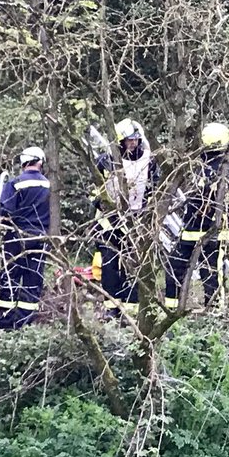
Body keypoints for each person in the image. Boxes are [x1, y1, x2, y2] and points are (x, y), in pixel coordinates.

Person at [164, 122, 229, 311]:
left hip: (214, 230)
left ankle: (215, 312)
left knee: (210, 271)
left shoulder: (223, 169)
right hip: (192, 229)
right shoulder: (204, 164)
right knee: (175, 266)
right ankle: (171, 310)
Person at [92, 118, 158, 318]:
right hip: (109, 221)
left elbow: (155, 189)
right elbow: (95, 190)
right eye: (128, 141)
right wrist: (100, 202)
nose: (132, 144)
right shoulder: (105, 161)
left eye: (135, 140)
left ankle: (132, 309)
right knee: (110, 265)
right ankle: (112, 308)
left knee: (135, 265)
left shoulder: (149, 161)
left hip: (137, 221)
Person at [0, 146, 51, 329]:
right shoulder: (50, 185)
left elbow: (5, 212)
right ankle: (24, 325)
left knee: (9, 279)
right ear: (40, 161)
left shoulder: (14, 183)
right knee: (32, 281)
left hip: (16, 237)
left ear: (24, 162)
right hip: (41, 238)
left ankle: (5, 324)